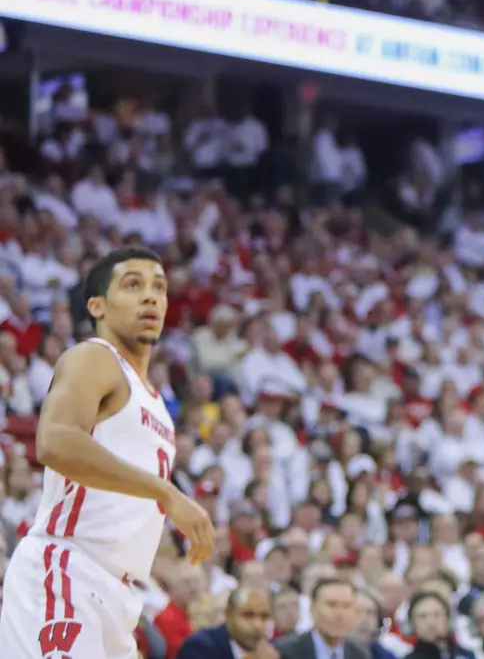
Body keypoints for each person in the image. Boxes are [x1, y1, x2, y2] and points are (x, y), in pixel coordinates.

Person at [0, 246, 215, 659]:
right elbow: (55, 441)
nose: (150, 296)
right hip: (68, 567)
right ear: (97, 305)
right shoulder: (95, 358)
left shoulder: (158, 408)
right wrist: (167, 492)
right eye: (133, 285)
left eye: (159, 287)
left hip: (119, 594)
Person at [277, 578, 370, 659]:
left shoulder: (360, 654)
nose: (339, 614)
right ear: (312, 609)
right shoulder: (286, 652)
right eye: (331, 605)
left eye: (346, 606)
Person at [178, 587, 278, 659]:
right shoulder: (200, 646)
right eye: (247, 615)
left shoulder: (272, 649)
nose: (257, 625)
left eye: (264, 616)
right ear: (229, 616)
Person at [405, 590, 475, 659]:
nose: (431, 622)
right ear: (412, 623)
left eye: (437, 615)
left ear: (448, 619)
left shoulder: (466, 655)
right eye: (422, 616)